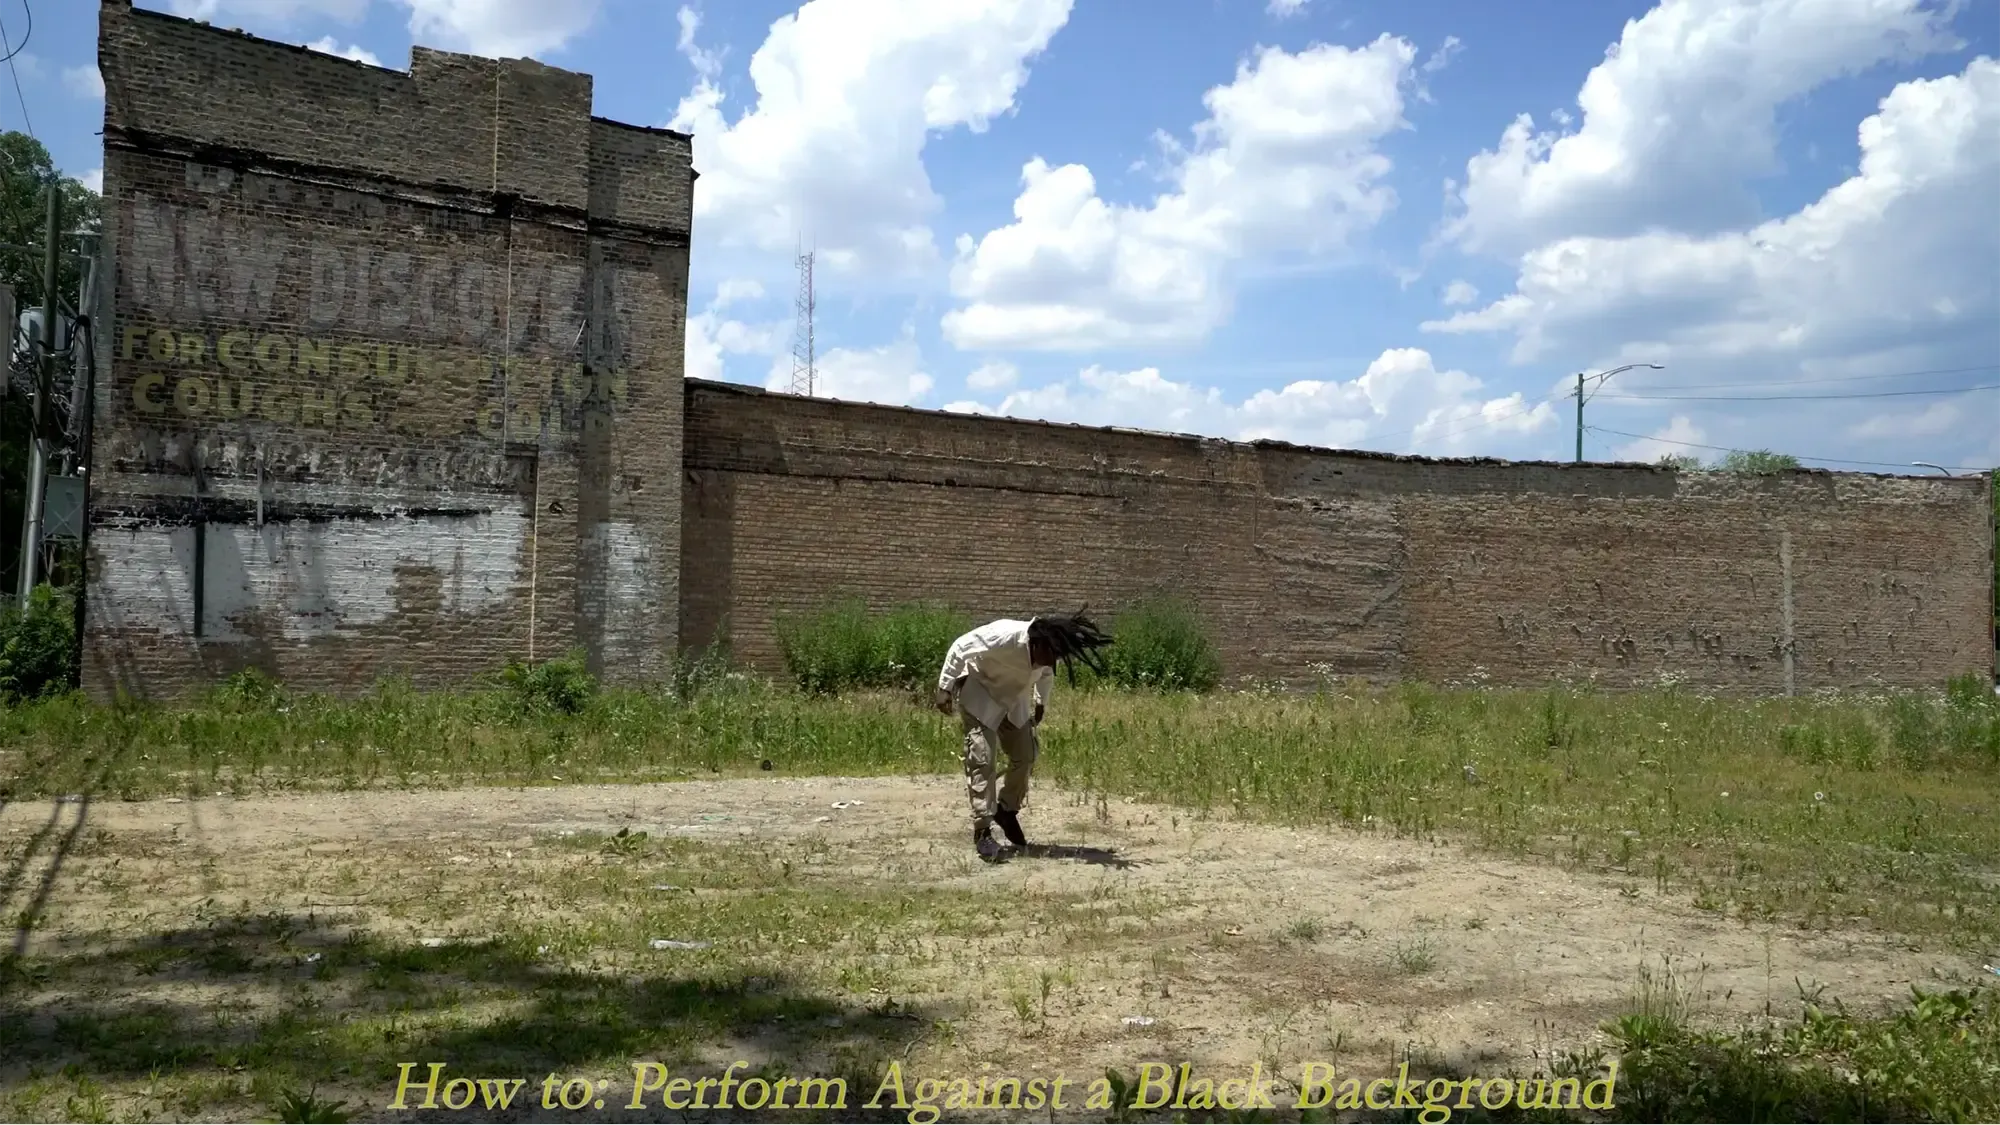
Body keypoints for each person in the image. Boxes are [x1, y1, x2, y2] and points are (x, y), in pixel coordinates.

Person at [934, 612, 1114, 861]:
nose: (1051, 662)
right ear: (1037, 644)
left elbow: (1047, 675)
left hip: (1012, 702)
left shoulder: (1046, 654)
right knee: (983, 758)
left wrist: (1041, 702)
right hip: (981, 695)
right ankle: (983, 831)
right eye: (1050, 656)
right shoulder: (1004, 635)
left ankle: (1006, 810)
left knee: (1026, 754)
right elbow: (960, 646)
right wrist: (945, 686)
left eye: (1057, 658)